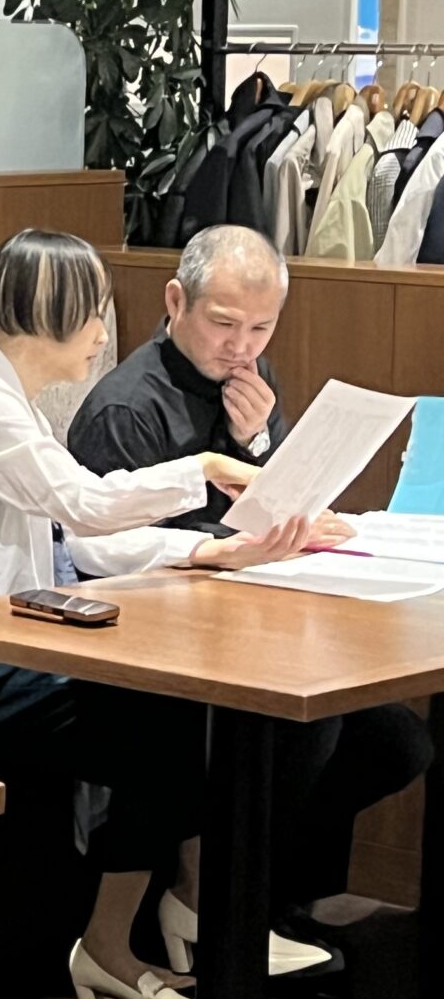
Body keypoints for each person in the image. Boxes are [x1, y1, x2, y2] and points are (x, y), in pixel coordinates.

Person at [0, 229, 323, 999]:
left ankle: (153, 929)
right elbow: (87, 504)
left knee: (183, 716)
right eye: (94, 315)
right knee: (160, 719)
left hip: (3, 645)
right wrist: (207, 470)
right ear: (48, 313)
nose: (105, 335)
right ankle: (116, 942)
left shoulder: (12, 403)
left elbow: (88, 539)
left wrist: (213, 551)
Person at [69, 225, 431, 960]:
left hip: (252, 627)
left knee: (397, 741)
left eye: (261, 328)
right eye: (224, 323)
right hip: (150, 642)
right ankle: (214, 907)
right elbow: (112, 555)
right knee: (300, 727)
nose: (241, 346)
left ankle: (252, 898)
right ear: (177, 301)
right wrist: (234, 549)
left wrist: (266, 443)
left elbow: (280, 499)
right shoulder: (127, 409)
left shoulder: (251, 387)